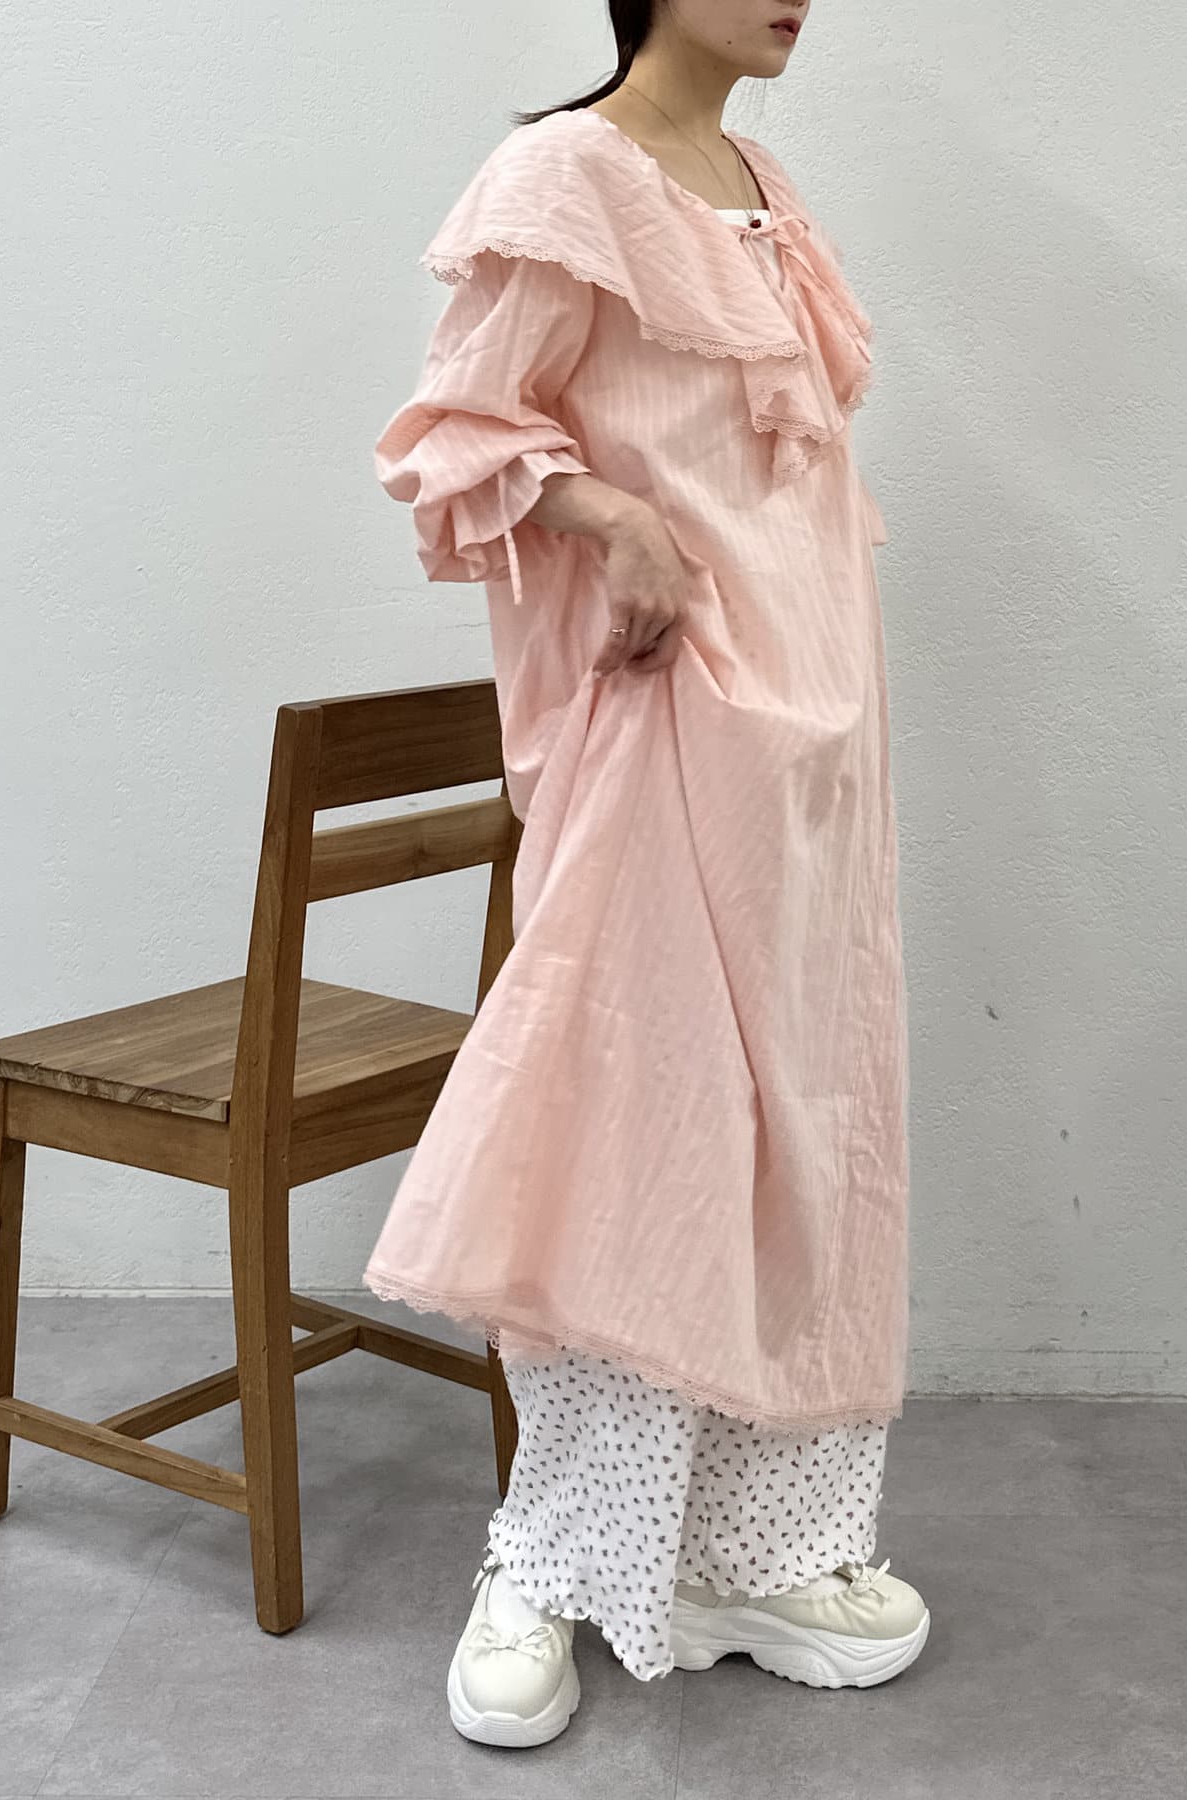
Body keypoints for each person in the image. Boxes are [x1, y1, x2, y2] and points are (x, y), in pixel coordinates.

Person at [364, 0, 924, 1747]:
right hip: (668, 729)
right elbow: (451, 433)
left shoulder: (760, 185)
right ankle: (548, 1558)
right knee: (636, 1136)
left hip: (818, 760)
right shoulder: (568, 175)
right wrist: (611, 517)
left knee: (805, 1139)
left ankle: (759, 1552)